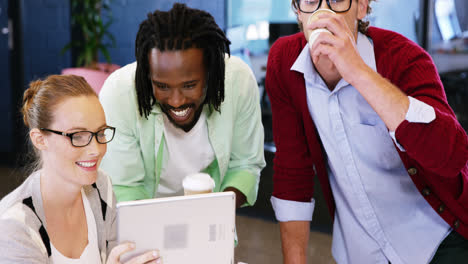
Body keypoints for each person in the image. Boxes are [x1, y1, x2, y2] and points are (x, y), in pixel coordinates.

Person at [265, 0, 468, 263]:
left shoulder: (404, 57)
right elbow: (293, 173)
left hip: (439, 241)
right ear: (298, 11)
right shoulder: (285, 63)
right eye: (310, 1)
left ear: (361, 7)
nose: (322, 11)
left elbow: (452, 156)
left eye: (337, 0)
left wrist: (357, 71)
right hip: (360, 253)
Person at [99, 3, 265, 208]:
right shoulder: (119, 92)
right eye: (162, 86)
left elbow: (244, 166)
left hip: (209, 217)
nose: (176, 101)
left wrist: (213, 214)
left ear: (210, 73)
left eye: (189, 85)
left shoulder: (237, 81)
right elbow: (123, 187)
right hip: (141, 222)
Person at [0, 75, 161, 263]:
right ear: (40, 139)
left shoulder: (101, 186)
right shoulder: (14, 227)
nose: (95, 150)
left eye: (100, 133)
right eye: (77, 136)